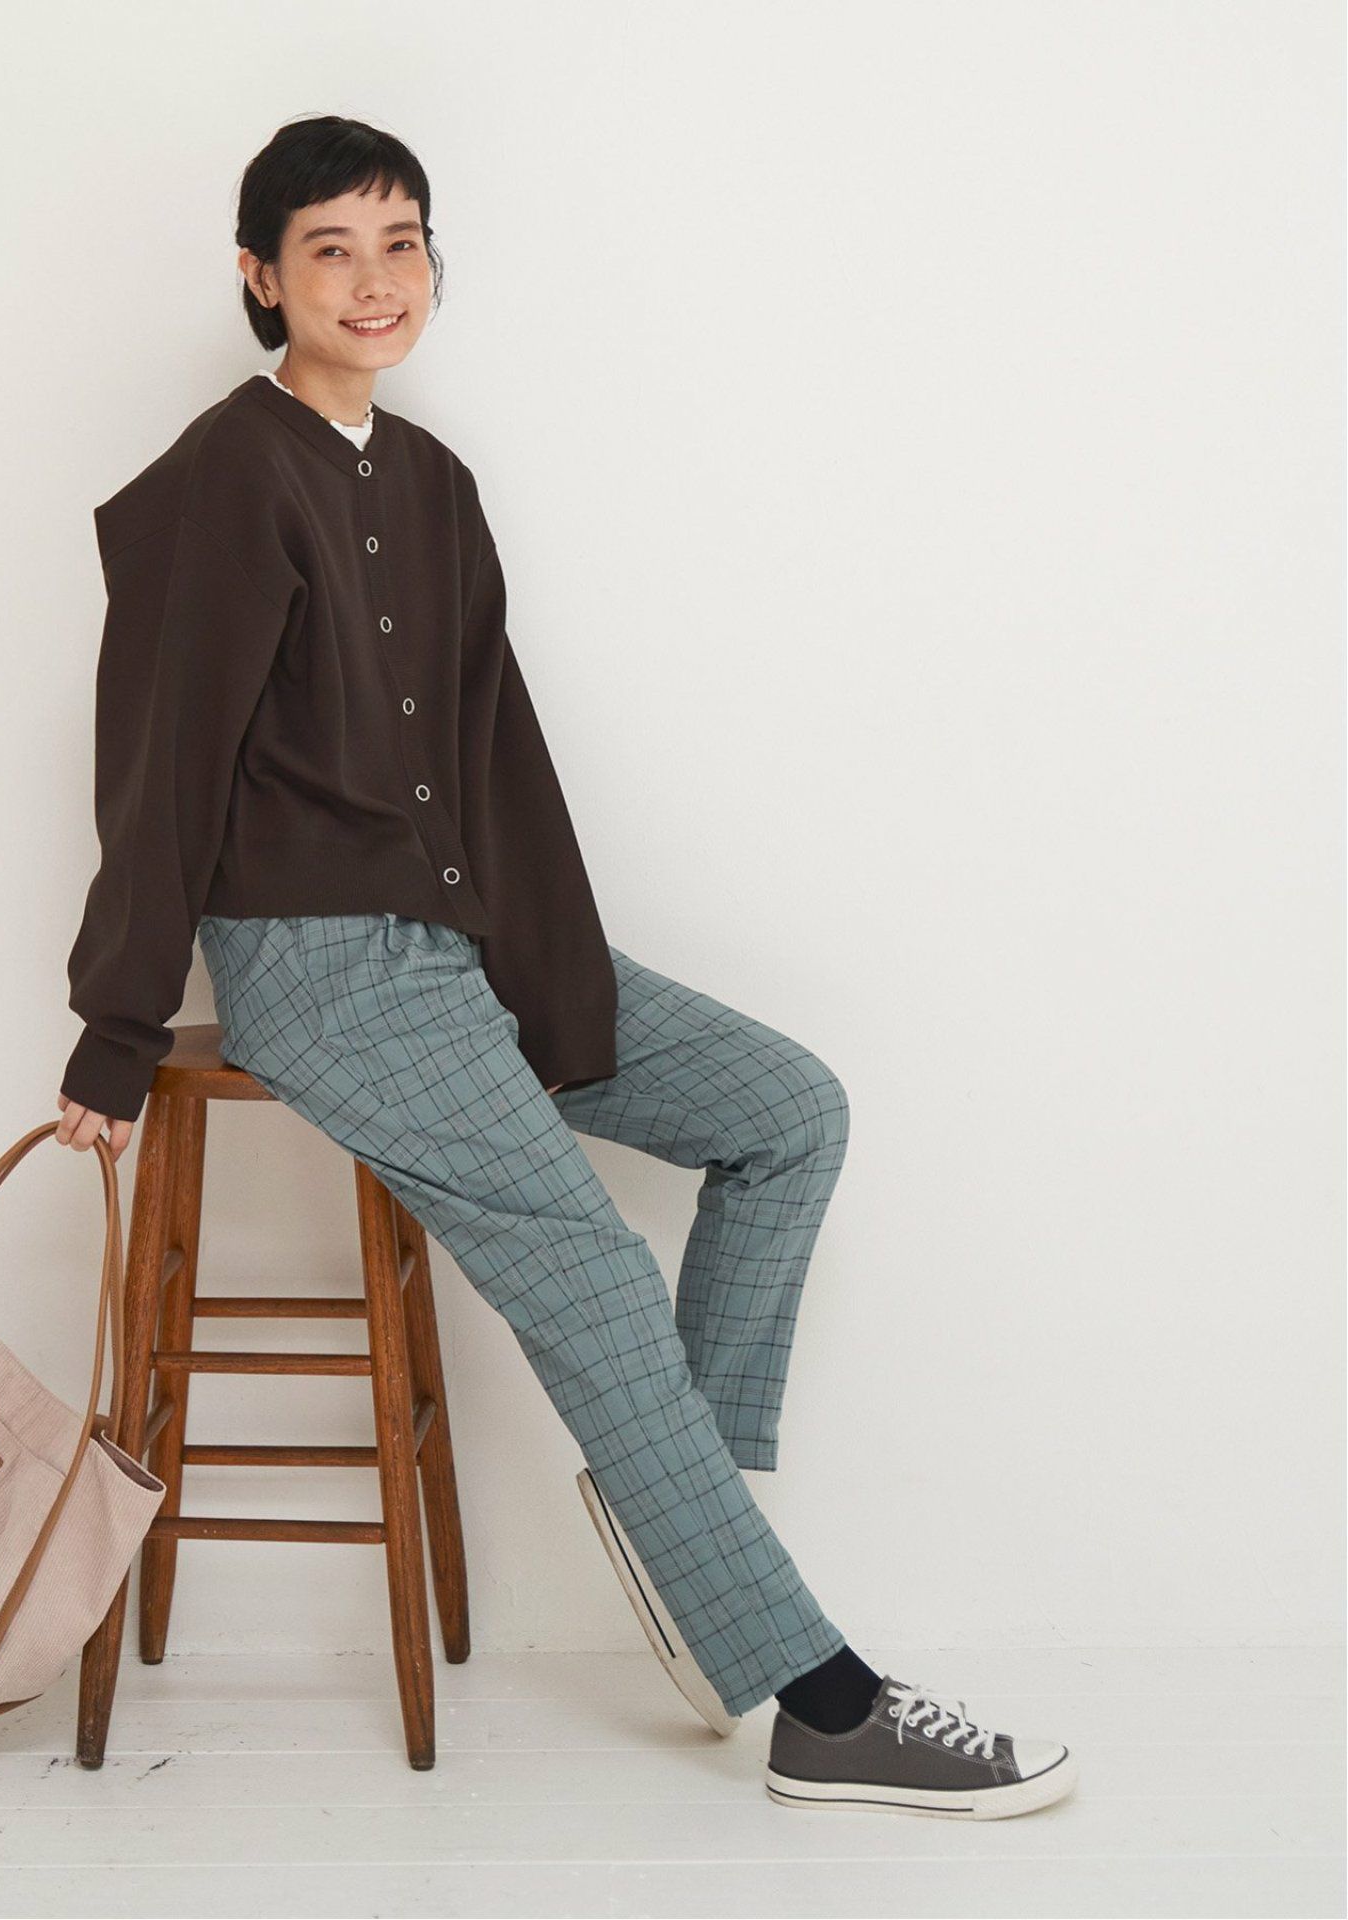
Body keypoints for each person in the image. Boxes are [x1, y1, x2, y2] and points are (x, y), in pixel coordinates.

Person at [54, 112, 1076, 1819]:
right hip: (320, 967)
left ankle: (699, 1543)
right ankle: (816, 1703)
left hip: (461, 940)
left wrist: (552, 971)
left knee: (785, 1111)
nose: (375, 281)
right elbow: (163, 762)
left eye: (402, 243)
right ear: (260, 277)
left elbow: (495, 756)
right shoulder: (225, 476)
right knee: (593, 1270)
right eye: (330, 249)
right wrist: (115, 1026)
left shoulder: (432, 482)